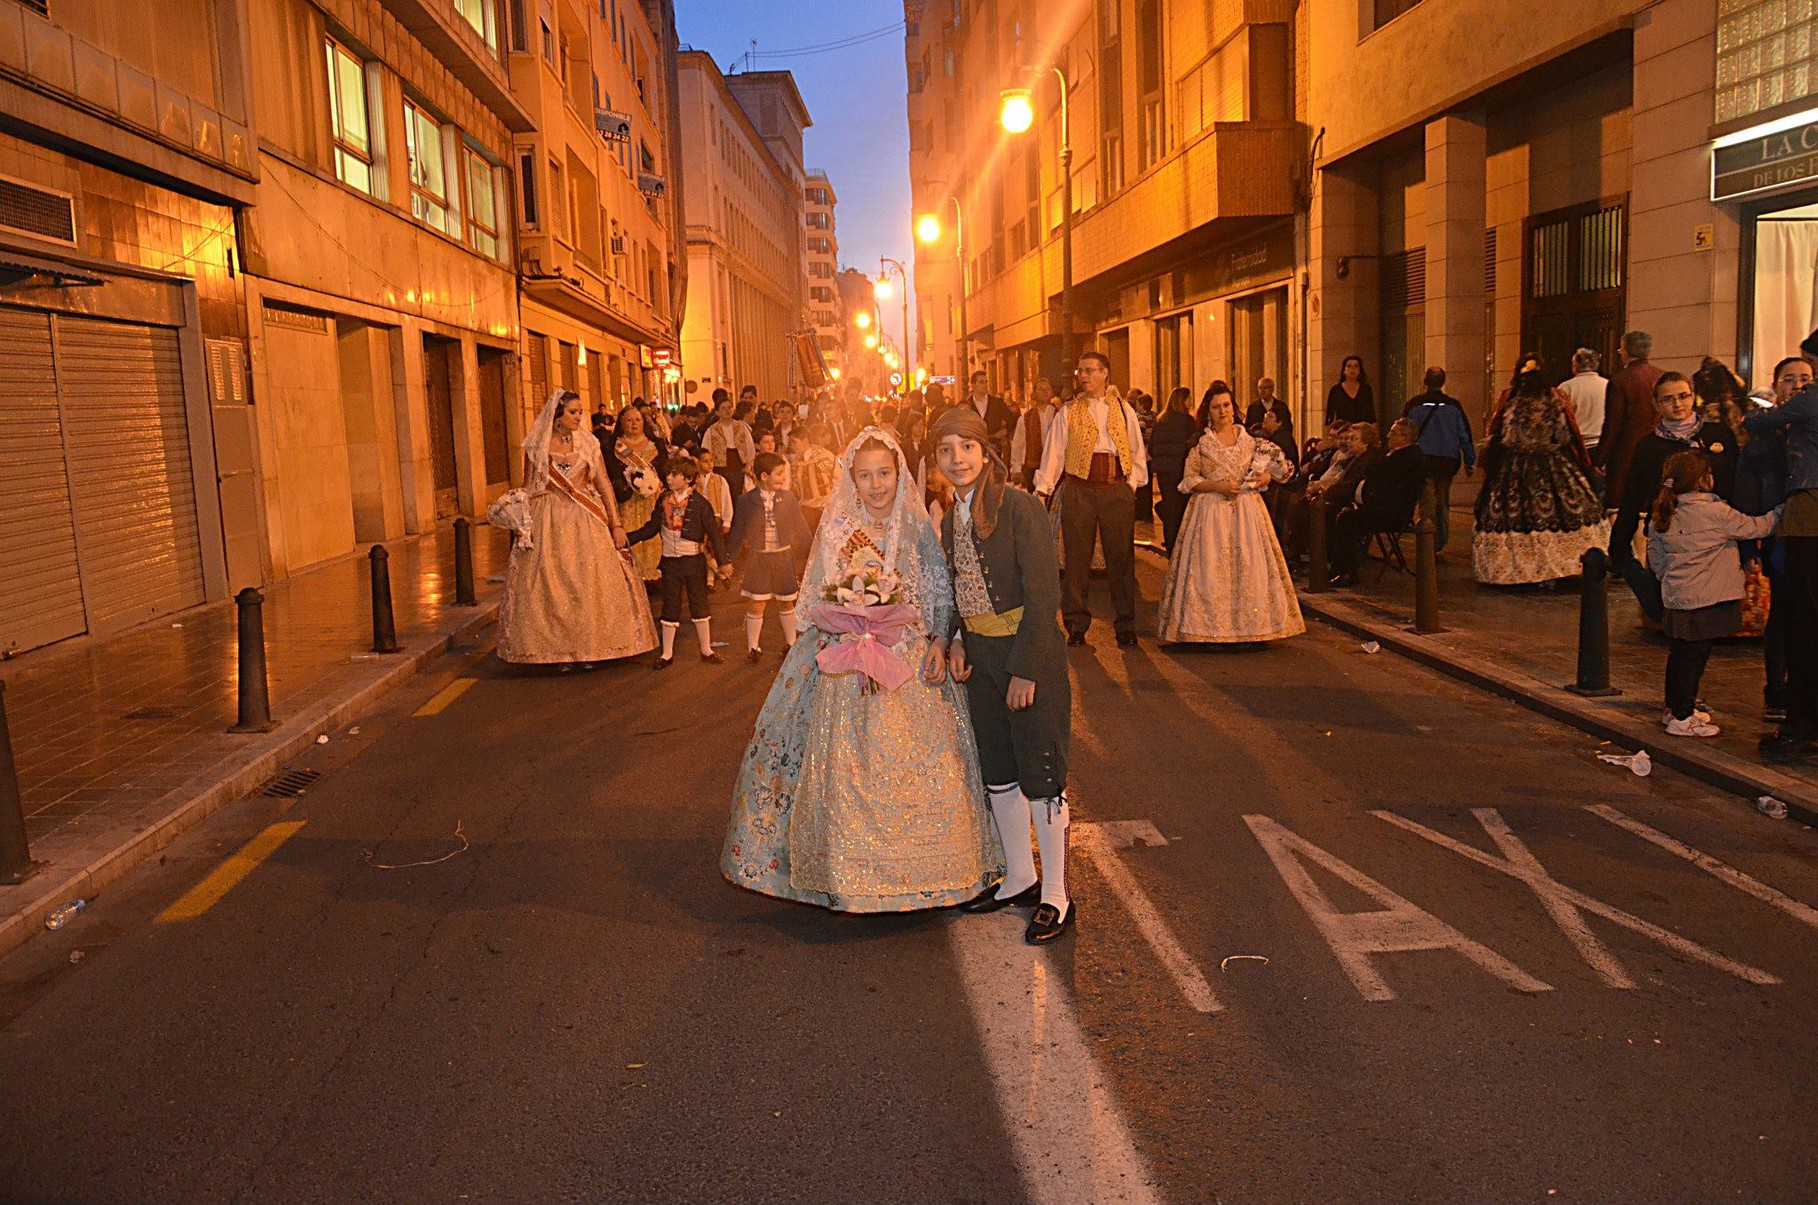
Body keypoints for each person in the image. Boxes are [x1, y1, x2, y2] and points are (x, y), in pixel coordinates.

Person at [721, 427, 1001, 913]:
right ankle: (847, 875)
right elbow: (817, 593)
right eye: (866, 475)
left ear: (900, 474)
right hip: (846, 657)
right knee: (844, 768)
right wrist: (844, 627)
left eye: (885, 474)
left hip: (908, 658)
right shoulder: (837, 527)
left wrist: (938, 639)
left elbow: (938, 591)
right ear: (851, 478)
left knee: (923, 768)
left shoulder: (916, 526)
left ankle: (930, 870)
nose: (876, 485)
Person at [930, 406, 1075, 943]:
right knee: (998, 769)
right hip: (983, 660)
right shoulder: (950, 517)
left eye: (965, 447)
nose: (957, 459)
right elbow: (958, 587)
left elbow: (1044, 596)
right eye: (945, 450)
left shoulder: (1019, 508)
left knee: (1041, 771)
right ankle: (1019, 875)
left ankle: (1056, 895)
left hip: (1027, 659)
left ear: (985, 451)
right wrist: (961, 640)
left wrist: (1025, 670)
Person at [497, 390, 658, 665]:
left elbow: (603, 483)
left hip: (585, 519)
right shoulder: (537, 445)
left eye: (580, 412)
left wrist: (615, 524)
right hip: (548, 521)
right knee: (552, 584)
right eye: (573, 412)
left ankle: (589, 648)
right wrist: (522, 521)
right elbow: (528, 487)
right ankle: (559, 651)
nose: (578, 417)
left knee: (588, 583)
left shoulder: (588, 443)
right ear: (557, 415)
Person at [1156, 383, 1303, 644]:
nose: (1222, 411)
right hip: (1210, 511)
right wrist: (1218, 486)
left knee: (1249, 568)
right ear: (1208, 411)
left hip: (1247, 511)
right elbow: (1189, 480)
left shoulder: (1250, 441)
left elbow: (1280, 473)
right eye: (1216, 407)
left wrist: (1265, 477)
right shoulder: (1200, 443)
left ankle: (1249, 629)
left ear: (1233, 407)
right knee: (1210, 569)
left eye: (1226, 405)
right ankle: (1208, 629)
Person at [1648, 450, 1779, 737]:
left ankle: (1674, 709)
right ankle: (1682, 718)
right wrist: (1782, 510)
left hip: (1677, 599)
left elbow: (1655, 558)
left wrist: (1669, 577)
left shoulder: (1663, 512)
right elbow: (1758, 526)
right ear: (1703, 480)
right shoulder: (1717, 513)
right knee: (1695, 659)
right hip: (1706, 601)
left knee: (1680, 656)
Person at [1033, 351, 1149, 647]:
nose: (1083, 376)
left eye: (1090, 370)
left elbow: (1137, 450)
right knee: (1076, 559)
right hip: (1079, 489)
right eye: (1080, 371)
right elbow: (1055, 454)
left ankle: (1125, 624)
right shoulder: (1068, 412)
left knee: (1120, 558)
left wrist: (1131, 485)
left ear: (1105, 373)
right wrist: (1043, 490)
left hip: (1115, 488)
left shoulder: (1124, 410)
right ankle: (1075, 624)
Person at [1607, 372, 1738, 619]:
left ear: (1693, 397)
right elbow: (1633, 494)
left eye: (1683, 396)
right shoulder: (1649, 445)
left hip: (1713, 533)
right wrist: (1620, 542)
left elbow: (1735, 481)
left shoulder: (1718, 434)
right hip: (1670, 533)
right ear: (1656, 403)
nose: (1677, 404)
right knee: (1673, 610)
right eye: (1668, 399)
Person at [1745, 336, 1818, 757]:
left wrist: (1770, 403)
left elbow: (1754, 422)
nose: (1802, 382)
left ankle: (1800, 724)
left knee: (1801, 622)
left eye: (1808, 370)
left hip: (1807, 517)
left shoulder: (1808, 403)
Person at [1473, 366, 1609, 585]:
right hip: (1552, 463)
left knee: (1514, 513)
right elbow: (1563, 435)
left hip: (1516, 466)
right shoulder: (1553, 405)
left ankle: (1523, 570)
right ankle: (1563, 566)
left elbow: (1509, 437)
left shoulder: (1515, 406)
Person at [1738, 356, 1809, 722]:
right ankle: (1777, 691)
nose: (1797, 385)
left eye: (1804, 379)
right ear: (1776, 386)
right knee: (1782, 612)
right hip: (1780, 535)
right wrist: (1749, 546)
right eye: (1788, 379)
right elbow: (1748, 491)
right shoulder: (1764, 436)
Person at [625, 456, 732, 669]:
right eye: (669, 474)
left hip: (693, 561)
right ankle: (666, 654)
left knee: (699, 602)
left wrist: (724, 562)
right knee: (670, 604)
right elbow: (652, 527)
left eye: (675, 474)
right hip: (670, 562)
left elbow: (714, 534)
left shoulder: (701, 503)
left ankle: (706, 650)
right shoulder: (663, 499)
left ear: (689, 478)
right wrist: (629, 538)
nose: (669, 478)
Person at [728, 451, 812, 663]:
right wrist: (728, 559)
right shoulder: (746, 501)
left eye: (783, 473)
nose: (783, 478)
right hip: (759, 559)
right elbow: (737, 531)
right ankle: (753, 647)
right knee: (757, 603)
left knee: (786, 602)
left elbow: (801, 527)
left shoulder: (789, 497)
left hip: (783, 557)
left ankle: (791, 644)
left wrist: (812, 552)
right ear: (764, 476)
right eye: (779, 474)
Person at [1328, 418, 1427, 587]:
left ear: (1405, 437)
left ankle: (1347, 572)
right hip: (1378, 504)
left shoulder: (1409, 457)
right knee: (1339, 512)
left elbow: (1387, 484)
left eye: (1393, 433)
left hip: (1392, 511)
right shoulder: (1391, 454)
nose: (1388, 436)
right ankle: (1337, 567)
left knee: (1348, 519)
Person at [1402, 367, 1476, 552]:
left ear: (1424, 381)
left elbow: (1404, 433)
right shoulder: (1453, 406)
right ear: (1443, 382)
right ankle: (1440, 539)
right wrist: (1469, 459)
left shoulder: (1414, 405)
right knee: (1442, 500)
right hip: (1447, 461)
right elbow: (1463, 434)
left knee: (1427, 500)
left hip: (1423, 459)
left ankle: (1428, 539)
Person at [1593, 331, 1663, 508]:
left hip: (1627, 452)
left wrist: (1600, 459)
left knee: (1624, 504)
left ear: (1625, 351)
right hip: (1658, 447)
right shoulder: (1661, 376)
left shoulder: (1620, 380)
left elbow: (1613, 424)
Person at [612, 406, 667, 585]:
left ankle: (654, 573)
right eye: (629, 420)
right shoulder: (614, 446)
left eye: (638, 420)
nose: (634, 424)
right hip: (628, 500)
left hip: (652, 497)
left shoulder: (655, 443)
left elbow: (665, 468)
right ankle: (632, 572)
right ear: (621, 423)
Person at [1149, 386, 1199, 554]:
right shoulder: (1187, 421)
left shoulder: (1161, 420)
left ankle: (1170, 545)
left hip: (1164, 470)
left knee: (1170, 507)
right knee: (1181, 507)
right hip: (1180, 469)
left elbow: (1152, 446)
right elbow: (1192, 446)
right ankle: (1180, 545)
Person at [705, 389, 755, 503]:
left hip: (738, 467)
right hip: (720, 469)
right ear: (717, 412)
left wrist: (749, 464)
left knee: (738, 497)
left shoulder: (742, 428)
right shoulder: (711, 431)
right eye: (723, 408)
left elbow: (750, 448)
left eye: (729, 407)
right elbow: (706, 450)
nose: (727, 411)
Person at [1558, 348, 1608, 461]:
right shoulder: (1607, 385)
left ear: (1575, 365)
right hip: (1603, 443)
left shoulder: (1566, 388)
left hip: (1578, 446)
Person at [789, 422, 841, 530]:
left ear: (805, 440)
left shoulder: (823, 456)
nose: (792, 446)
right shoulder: (796, 461)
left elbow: (838, 480)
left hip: (825, 509)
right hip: (806, 511)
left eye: (794, 442)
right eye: (791, 443)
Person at [1013, 377, 1061, 489]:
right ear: (1034, 393)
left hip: (1056, 466)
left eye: (1047, 389)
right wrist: (1016, 468)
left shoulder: (1060, 416)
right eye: (1040, 389)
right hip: (1033, 467)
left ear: (1052, 392)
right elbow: (1018, 445)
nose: (1044, 392)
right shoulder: (1025, 418)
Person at [963, 369, 1015, 459]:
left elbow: (1012, 420)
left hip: (994, 449)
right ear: (973, 385)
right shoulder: (967, 405)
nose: (985, 385)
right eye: (981, 382)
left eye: (986, 382)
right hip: (973, 449)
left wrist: (1005, 431)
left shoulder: (997, 403)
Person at [1326, 355, 1376, 426]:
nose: (1352, 369)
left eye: (1356, 366)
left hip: (1361, 431)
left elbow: (1371, 414)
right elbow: (1330, 415)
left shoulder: (1366, 389)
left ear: (1360, 371)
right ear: (1344, 371)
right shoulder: (1336, 390)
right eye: (1349, 366)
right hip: (1342, 431)